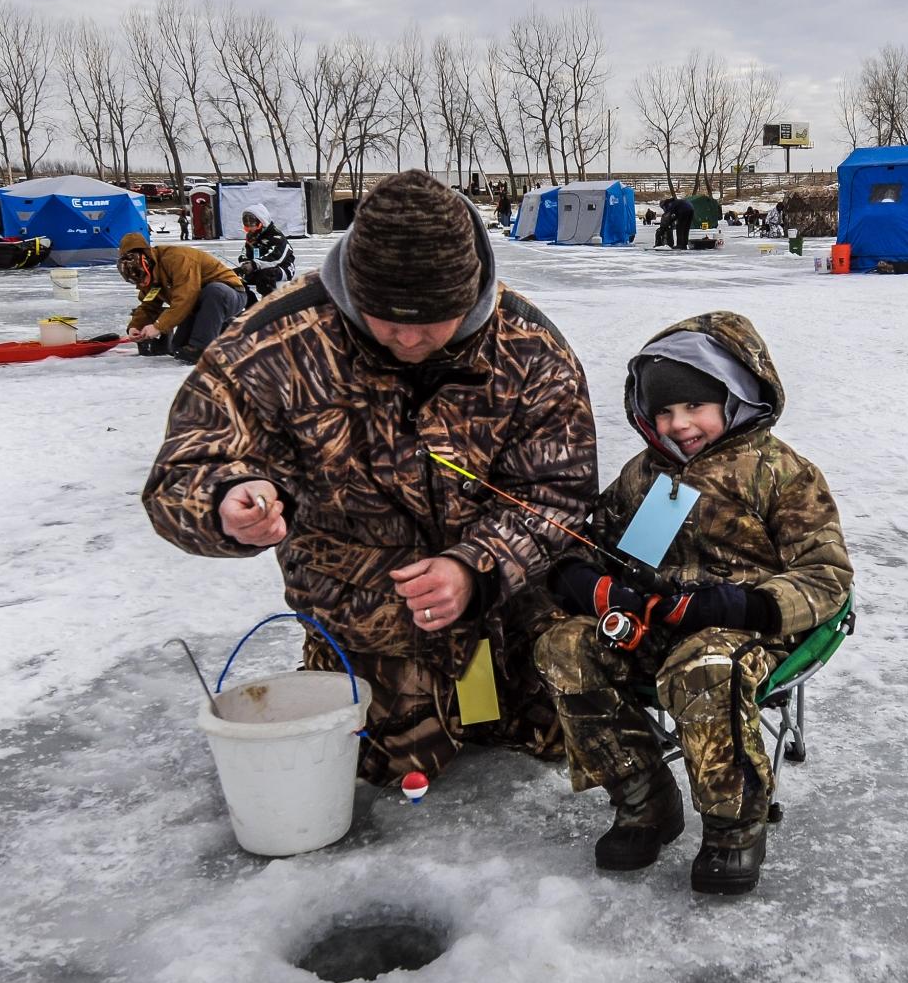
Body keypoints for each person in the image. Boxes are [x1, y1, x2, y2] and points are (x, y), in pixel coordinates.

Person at [140, 169, 599, 785]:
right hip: (364, 611)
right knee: (392, 761)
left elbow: (558, 497)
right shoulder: (273, 342)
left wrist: (474, 567)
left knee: (564, 727)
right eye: (386, 318)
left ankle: (491, 693)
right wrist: (225, 501)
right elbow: (184, 471)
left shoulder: (528, 348)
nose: (409, 338)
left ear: (472, 294)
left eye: (433, 319)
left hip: (501, 611)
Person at [533, 312, 853, 895]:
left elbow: (826, 577)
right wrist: (587, 582)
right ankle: (644, 798)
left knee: (704, 665)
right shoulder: (644, 475)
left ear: (735, 397)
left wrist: (738, 607)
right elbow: (592, 542)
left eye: (694, 407)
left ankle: (734, 826)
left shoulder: (784, 474)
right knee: (565, 646)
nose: (678, 424)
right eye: (664, 411)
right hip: (651, 624)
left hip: (745, 633)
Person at [118, 232, 247, 364]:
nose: (141, 284)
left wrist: (158, 326)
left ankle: (202, 348)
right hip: (196, 306)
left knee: (213, 292)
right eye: (135, 281)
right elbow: (149, 305)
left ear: (147, 264)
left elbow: (186, 297)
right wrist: (135, 326)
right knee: (179, 349)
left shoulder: (177, 258)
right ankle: (223, 327)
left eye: (142, 278)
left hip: (229, 294)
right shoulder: (145, 275)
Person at [234, 203, 295, 307]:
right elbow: (244, 253)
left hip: (283, 268)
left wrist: (253, 265)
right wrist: (245, 264)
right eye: (247, 226)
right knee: (234, 278)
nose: (250, 229)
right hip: (257, 266)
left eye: (253, 225)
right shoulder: (252, 238)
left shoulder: (277, 237)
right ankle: (251, 306)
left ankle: (268, 306)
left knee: (264, 276)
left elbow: (275, 258)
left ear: (262, 222)